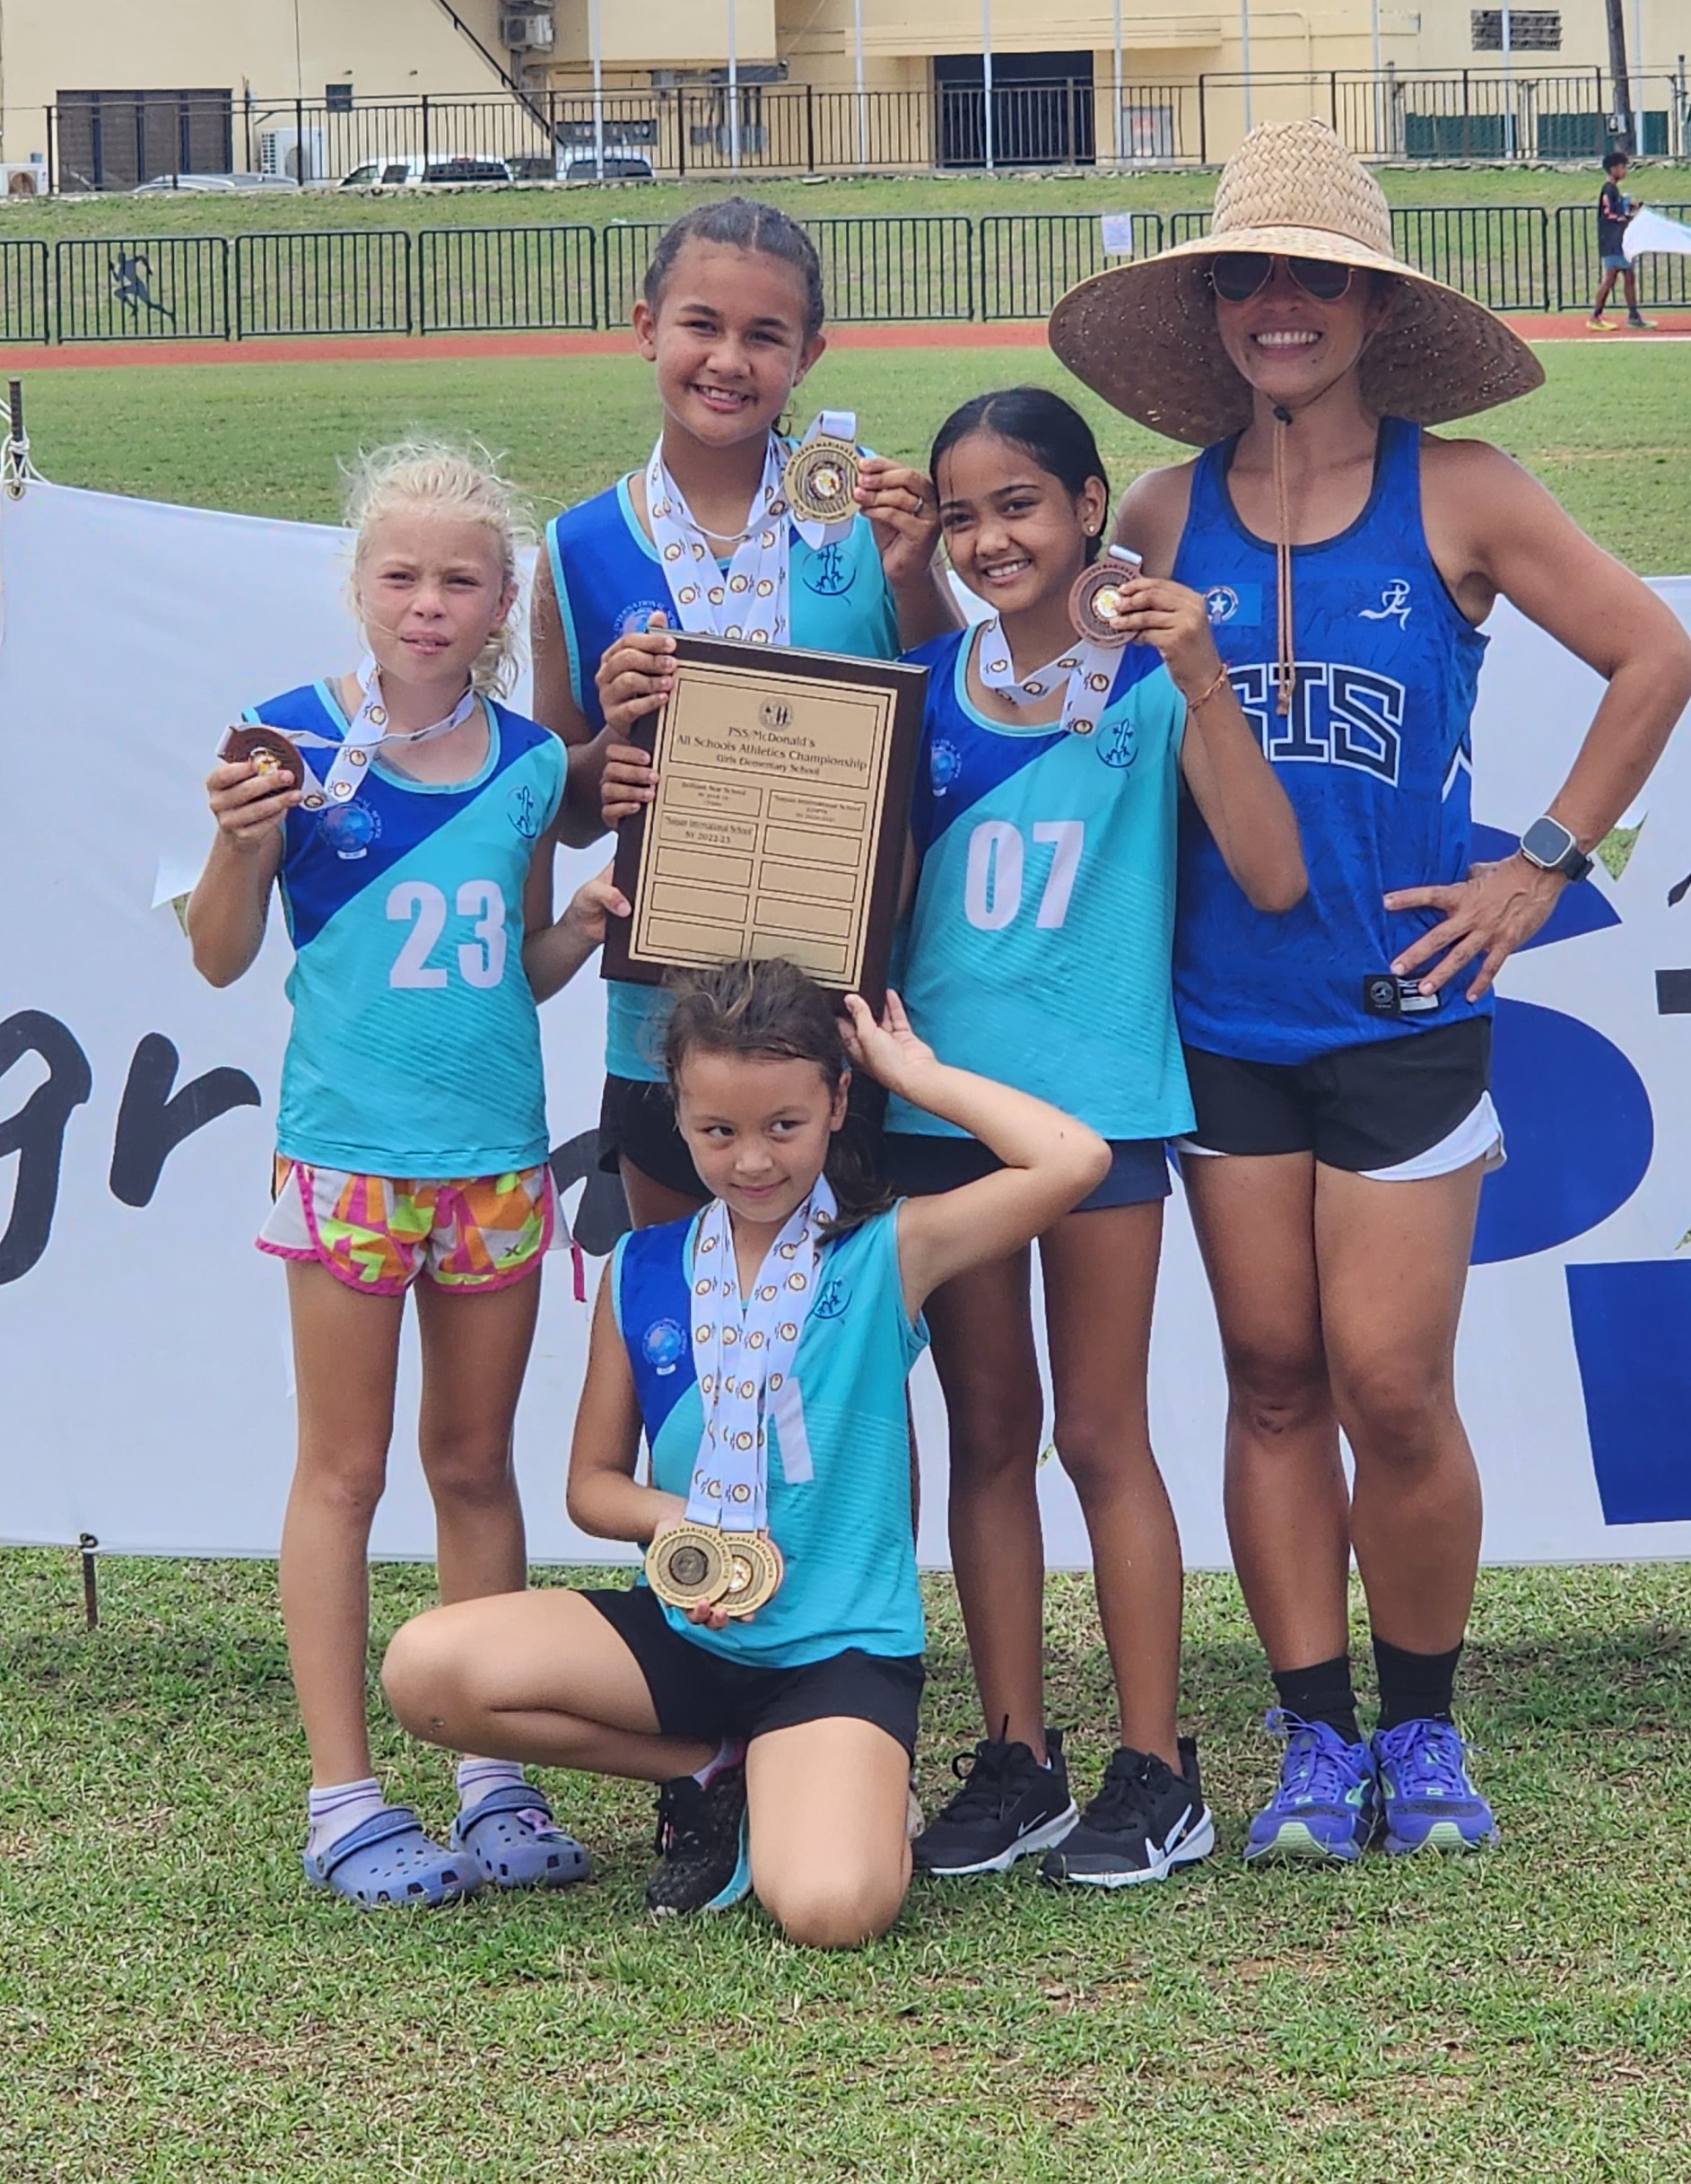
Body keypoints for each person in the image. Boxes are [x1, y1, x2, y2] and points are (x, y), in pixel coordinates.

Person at [1048, 118, 1691, 1862]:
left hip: (1407, 1010)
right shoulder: (1169, 503)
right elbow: (1050, 689)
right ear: (1213, 310)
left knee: (1393, 1384)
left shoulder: (1462, 485)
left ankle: (1426, 1727)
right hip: (1219, 1013)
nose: (1282, 306)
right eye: (1249, 277)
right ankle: (1316, 1741)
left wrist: (1541, 861)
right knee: (1270, 1375)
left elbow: (1656, 654)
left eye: (1316, 278)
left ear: (1369, 306)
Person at [380, 960, 1111, 1947]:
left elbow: (1074, 1161)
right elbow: (592, 1487)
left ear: (837, 1104)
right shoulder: (642, 1268)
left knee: (830, 1910)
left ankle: (829, 1784)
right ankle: (715, 1762)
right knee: (426, 1670)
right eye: (718, 1131)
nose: (753, 1161)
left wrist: (917, 1076)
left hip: (836, 1654)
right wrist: (669, 1518)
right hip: (688, 1632)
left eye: (784, 1126)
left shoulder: (887, 1250)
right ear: (676, 1116)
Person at [187, 441, 625, 1909]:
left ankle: (493, 1771)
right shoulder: (289, 745)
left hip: (495, 1167)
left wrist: (595, 923)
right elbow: (221, 951)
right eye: (401, 574)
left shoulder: (525, 764)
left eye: (459, 579)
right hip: (348, 1167)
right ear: (356, 586)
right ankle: (344, 1798)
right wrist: (243, 849)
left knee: (473, 1463)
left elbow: (522, 959)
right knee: (345, 1469)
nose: (428, 602)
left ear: (503, 601)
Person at [886, 388, 1305, 1889]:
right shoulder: (919, 689)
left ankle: (1156, 1763)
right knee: (986, 1436)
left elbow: (1268, 872)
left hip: (1106, 1109)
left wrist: (1202, 685)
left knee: (1097, 1433)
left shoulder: (1144, 684)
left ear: (1087, 510)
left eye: (1021, 505)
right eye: (962, 514)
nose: (992, 537)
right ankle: (1016, 1757)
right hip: (938, 1112)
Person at [530, 196, 956, 1236]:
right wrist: (611, 746)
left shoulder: (859, 523)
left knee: (846, 1356)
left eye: (764, 335)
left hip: (843, 1024)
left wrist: (918, 576)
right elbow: (565, 803)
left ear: (809, 353)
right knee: (691, 1343)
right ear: (644, 329)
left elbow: (940, 733)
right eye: (700, 325)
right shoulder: (579, 548)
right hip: (663, 1030)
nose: (729, 359)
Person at [1588, 151, 1652, 331]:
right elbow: (1609, 214)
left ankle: (1633, 315)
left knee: (1629, 276)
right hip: (1612, 241)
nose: (1625, 171)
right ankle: (1595, 316)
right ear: (1614, 169)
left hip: (1621, 241)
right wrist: (1626, 216)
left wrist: (1632, 209)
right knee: (1610, 278)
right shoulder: (1608, 189)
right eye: (1623, 167)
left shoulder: (1615, 190)